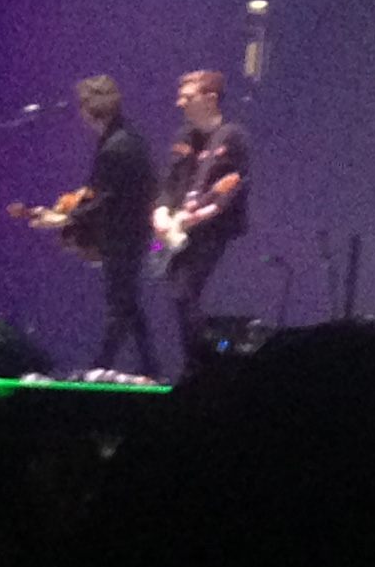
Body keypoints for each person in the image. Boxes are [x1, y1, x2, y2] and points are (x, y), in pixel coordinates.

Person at [25, 75, 159, 378]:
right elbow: (102, 192)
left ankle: (101, 365)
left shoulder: (116, 146)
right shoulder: (123, 137)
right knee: (128, 303)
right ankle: (150, 367)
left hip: (124, 234)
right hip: (131, 231)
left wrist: (64, 218)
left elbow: (105, 197)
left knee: (120, 303)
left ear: (89, 109)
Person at [160, 67, 251, 354]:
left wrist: (200, 215)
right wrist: (160, 211)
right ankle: (198, 359)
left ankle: (203, 360)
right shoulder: (184, 137)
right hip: (179, 227)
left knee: (185, 291)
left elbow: (234, 188)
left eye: (188, 97)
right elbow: (169, 181)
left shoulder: (232, 137)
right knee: (179, 294)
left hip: (212, 230)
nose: (180, 103)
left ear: (210, 99)